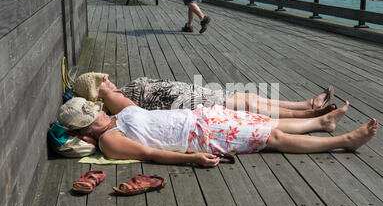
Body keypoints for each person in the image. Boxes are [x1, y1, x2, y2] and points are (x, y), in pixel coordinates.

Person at [58, 96, 378, 171]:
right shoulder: (109, 140)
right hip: (201, 136)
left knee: (265, 124)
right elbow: (151, 154)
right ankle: (344, 142)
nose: (98, 110)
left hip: (202, 117)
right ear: (85, 130)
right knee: (271, 138)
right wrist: (192, 159)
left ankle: (321, 124)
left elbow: (121, 100)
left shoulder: (116, 116)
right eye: (92, 115)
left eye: (94, 107)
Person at [73, 72, 336, 119]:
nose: (105, 78)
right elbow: (138, 114)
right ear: (98, 93)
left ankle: (306, 105)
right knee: (247, 104)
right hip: (183, 103)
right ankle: (308, 113)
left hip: (190, 93)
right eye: (101, 81)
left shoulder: (117, 91)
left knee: (247, 97)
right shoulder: (113, 100)